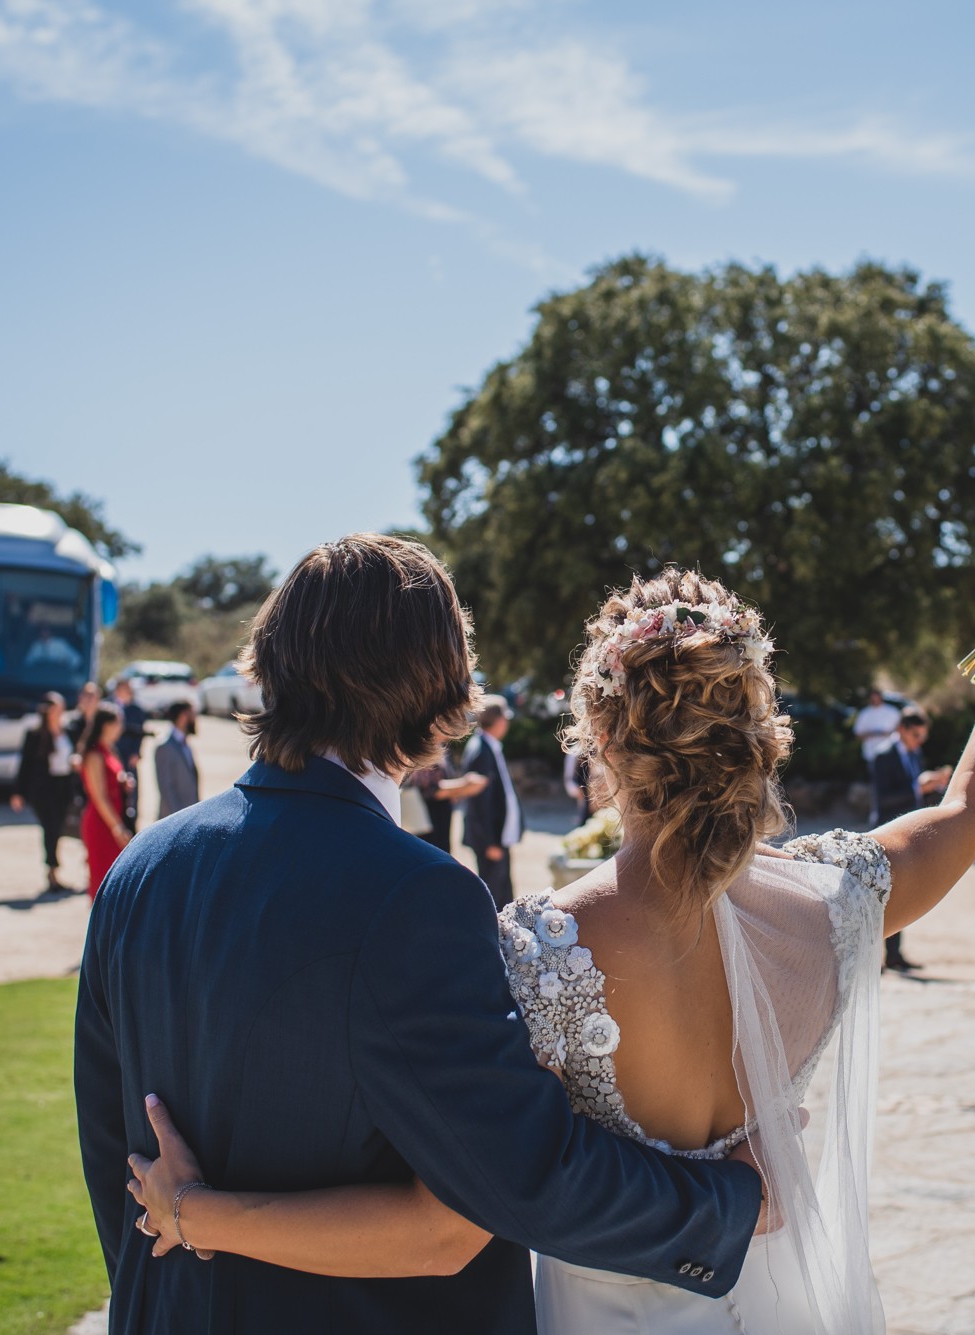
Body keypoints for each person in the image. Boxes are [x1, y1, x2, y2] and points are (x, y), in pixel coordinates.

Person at [119, 554, 975, 1334]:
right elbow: (968, 809)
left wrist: (198, 1213)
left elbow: (446, 1216)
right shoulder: (831, 902)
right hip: (775, 1302)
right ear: (755, 731)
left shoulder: (533, 946)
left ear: (601, 740)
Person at [80, 539, 815, 1335]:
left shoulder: (140, 868)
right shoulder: (413, 894)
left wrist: (186, 1231)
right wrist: (734, 1204)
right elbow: (521, 1177)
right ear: (441, 689)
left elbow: (112, 1158)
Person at [869, 708, 950, 972]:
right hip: (884, 832)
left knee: (901, 893)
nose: (918, 741)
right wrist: (918, 787)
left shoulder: (914, 753)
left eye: (922, 737)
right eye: (915, 735)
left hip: (906, 834)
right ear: (901, 729)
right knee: (879, 897)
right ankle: (872, 957)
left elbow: (913, 796)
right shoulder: (883, 755)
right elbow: (883, 799)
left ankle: (893, 955)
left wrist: (932, 787)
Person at [462, 694, 523, 909]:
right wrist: (489, 841)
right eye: (505, 718)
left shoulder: (489, 746)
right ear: (497, 721)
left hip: (498, 837)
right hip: (491, 840)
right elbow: (479, 803)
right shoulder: (481, 751)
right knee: (494, 897)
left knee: (503, 893)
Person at [13, 692, 77, 893]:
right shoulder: (35, 735)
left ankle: (54, 869)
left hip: (63, 786)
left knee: (58, 828)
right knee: (50, 828)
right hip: (43, 789)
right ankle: (52, 870)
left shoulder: (69, 731)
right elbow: (25, 764)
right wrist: (18, 792)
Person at [78, 703, 130, 900]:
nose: (121, 727)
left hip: (113, 819)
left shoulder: (109, 750)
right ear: (106, 725)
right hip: (102, 823)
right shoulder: (94, 754)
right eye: (118, 722)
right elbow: (99, 796)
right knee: (102, 880)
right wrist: (117, 827)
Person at [111, 677, 149, 832]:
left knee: (132, 793)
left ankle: (132, 825)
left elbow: (140, 733)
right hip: (114, 755)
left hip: (129, 758)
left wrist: (136, 753)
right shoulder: (109, 707)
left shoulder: (137, 710)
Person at [153, 701, 201, 820]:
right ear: (183, 717)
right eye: (193, 715)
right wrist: (179, 819)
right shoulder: (165, 746)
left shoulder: (185, 744)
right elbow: (166, 788)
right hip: (175, 819)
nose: (195, 719)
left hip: (189, 815)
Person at [852, 688, 902, 762]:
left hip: (891, 753)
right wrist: (873, 734)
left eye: (876, 697)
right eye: (872, 698)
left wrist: (889, 733)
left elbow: (901, 729)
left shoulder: (892, 711)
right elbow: (857, 734)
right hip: (872, 754)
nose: (875, 700)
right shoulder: (864, 714)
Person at [562, 745, 594, 826]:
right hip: (583, 789)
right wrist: (576, 789)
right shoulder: (575, 753)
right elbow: (570, 776)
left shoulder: (596, 750)